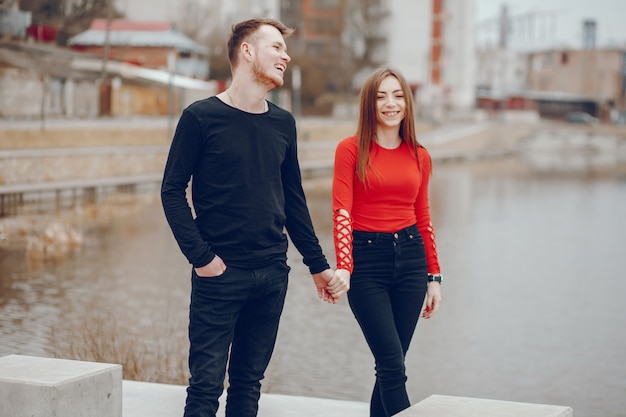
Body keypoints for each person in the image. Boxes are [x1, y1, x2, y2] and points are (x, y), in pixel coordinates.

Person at [161, 18, 349, 417]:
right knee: (205, 390)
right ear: (247, 51)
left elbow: (293, 203)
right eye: (277, 47)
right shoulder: (200, 117)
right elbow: (171, 191)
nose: (286, 55)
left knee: (248, 387)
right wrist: (203, 259)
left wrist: (318, 266)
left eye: (285, 48)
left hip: (271, 276)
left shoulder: (283, 123)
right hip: (219, 275)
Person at [331, 67, 443, 417]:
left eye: (397, 95)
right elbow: (341, 212)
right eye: (381, 96)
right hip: (367, 265)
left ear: (407, 103)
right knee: (393, 365)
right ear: (369, 104)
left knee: (390, 367)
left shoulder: (420, 155)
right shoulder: (350, 150)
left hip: (411, 261)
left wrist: (434, 276)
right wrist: (345, 267)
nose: (390, 103)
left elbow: (423, 217)